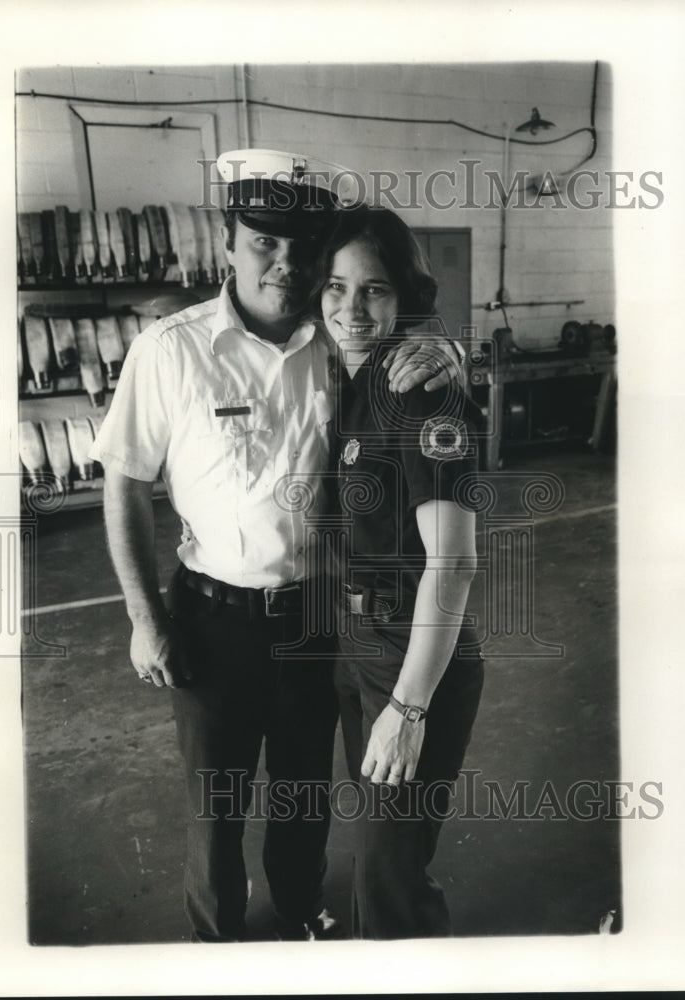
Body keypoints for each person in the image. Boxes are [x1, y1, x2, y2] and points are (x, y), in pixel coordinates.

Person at [89, 150, 464, 943]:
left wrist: (448, 350)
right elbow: (123, 484)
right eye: (264, 241)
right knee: (216, 803)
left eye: (303, 248)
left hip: (314, 622)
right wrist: (143, 616)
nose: (285, 264)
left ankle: (300, 909)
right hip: (211, 620)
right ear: (228, 243)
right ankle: (218, 937)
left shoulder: (335, 342)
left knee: (303, 793)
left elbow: (395, 332)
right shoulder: (171, 349)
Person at [316, 204, 485, 939]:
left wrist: (409, 709)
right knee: (389, 859)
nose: (351, 308)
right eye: (335, 287)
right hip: (359, 641)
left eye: (375, 289)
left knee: (386, 880)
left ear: (406, 294)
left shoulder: (424, 390)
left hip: (411, 652)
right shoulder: (356, 377)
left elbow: (453, 561)